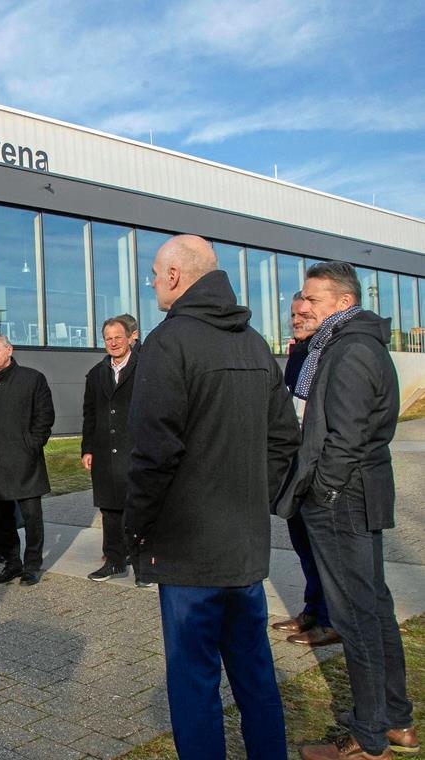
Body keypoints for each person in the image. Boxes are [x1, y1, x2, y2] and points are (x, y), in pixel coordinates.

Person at [126, 234, 299, 759]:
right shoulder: (253, 342)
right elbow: (284, 438)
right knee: (255, 676)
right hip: (243, 550)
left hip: (188, 554)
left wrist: (135, 530)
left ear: (176, 276)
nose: (152, 282)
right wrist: (248, 499)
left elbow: (153, 454)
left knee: (195, 683)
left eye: (155, 272)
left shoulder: (166, 343)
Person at [282, 262, 417, 760]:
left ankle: (369, 737)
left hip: (344, 501)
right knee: (373, 609)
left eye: (312, 298)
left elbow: (347, 436)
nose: (302, 304)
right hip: (353, 496)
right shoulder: (341, 344)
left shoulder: (352, 348)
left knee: (358, 617)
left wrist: (322, 491)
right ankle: (396, 723)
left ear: (342, 303)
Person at [272, 293, 339, 647]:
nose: (297, 319)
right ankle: (312, 610)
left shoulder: (326, 352)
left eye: (303, 313)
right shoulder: (299, 353)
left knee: (320, 546)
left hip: (318, 465)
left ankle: (331, 620)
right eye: (293, 314)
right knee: (301, 542)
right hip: (295, 462)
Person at [0, 333, 55, 586]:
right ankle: (12, 563)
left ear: (10, 350)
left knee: (32, 518)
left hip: (24, 461)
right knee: (3, 521)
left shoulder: (32, 379)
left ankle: (32, 565)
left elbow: (44, 417)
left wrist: (32, 444)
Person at [81, 317, 139, 584]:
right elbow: (89, 414)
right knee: (110, 509)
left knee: (137, 508)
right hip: (105, 452)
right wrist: (87, 448)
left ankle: (143, 565)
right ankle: (114, 561)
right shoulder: (96, 373)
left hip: (136, 450)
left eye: (118, 337)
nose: (113, 342)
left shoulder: (145, 368)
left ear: (130, 337)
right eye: (108, 338)